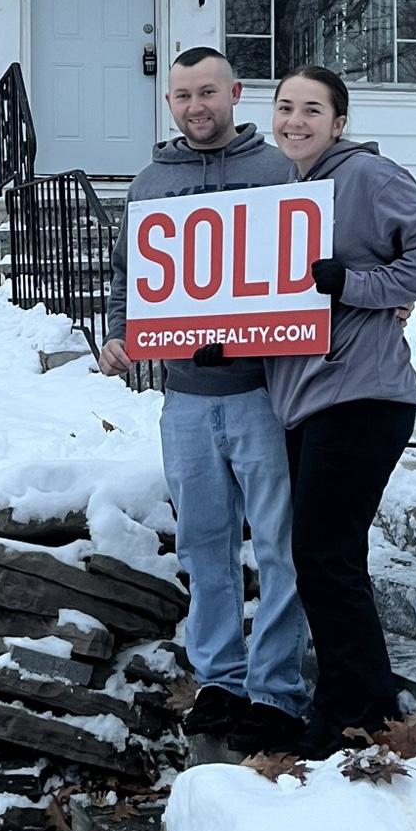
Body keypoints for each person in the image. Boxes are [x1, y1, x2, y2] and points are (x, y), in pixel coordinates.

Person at [101, 47, 309, 750]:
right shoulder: (150, 184)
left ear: (236, 94)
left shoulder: (279, 172)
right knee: (205, 546)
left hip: (262, 393)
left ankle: (277, 689)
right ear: (170, 104)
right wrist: (118, 335)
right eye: (183, 95)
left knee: (281, 546)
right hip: (185, 401)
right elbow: (124, 275)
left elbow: (315, 258)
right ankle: (220, 680)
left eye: (209, 93)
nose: (197, 106)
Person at [264, 65, 416, 758]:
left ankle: (359, 714)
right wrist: (219, 345)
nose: (295, 120)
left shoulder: (368, 178)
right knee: (324, 558)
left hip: (362, 397)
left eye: (312, 109)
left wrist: (359, 283)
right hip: (306, 402)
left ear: (339, 122)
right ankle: (357, 705)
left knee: (324, 556)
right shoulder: (286, 196)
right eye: (285, 107)